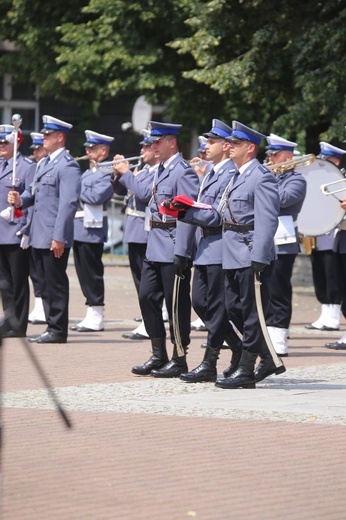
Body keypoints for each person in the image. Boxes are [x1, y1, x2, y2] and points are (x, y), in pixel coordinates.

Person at [113, 121, 200, 378]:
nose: (153, 147)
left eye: (157, 142)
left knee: (176, 305)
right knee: (146, 296)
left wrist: (183, 251)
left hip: (173, 242)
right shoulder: (160, 168)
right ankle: (158, 353)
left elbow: (187, 214)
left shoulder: (183, 171)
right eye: (152, 143)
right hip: (155, 241)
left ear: (171, 142)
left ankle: (179, 357)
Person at [213, 120, 285, 389]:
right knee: (234, 308)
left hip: (250, 252)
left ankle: (246, 369)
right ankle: (268, 357)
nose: (229, 146)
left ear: (251, 148)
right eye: (229, 142)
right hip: (232, 252)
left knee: (252, 312)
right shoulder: (236, 175)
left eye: (236, 143)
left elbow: (267, 221)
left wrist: (259, 254)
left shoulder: (261, 176)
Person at [175, 119, 243, 383]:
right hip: (205, 247)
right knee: (200, 303)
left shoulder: (228, 174)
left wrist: (185, 211)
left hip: (219, 246)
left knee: (215, 306)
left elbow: (217, 216)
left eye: (212, 142)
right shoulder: (212, 172)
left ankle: (209, 362)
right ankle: (236, 346)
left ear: (226, 147)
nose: (206, 145)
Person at [8, 115, 81, 343]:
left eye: (48, 135)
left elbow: (67, 204)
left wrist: (59, 236)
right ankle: (51, 326)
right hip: (39, 234)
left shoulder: (68, 166)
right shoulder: (44, 163)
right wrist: (20, 200)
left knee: (55, 282)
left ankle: (58, 330)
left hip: (53, 235)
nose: (43, 138)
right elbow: (34, 193)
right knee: (44, 283)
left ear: (60, 138)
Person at [112, 129, 160, 340]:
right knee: (139, 281)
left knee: (146, 284)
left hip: (145, 232)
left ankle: (151, 322)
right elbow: (120, 191)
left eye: (146, 146)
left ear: (156, 150)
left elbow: (143, 193)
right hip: (135, 231)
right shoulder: (143, 170)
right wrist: (117, 173)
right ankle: (146, 319)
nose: (141, 150)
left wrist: (127, 173)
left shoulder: (158, 172)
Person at [264, 133, 307, 356]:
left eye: (275, 154)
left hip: (283, 239)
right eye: (269, 154)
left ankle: (280, 333)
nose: (270, 158)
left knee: (279, 288)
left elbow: (280, 200)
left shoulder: (297, 180)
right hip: (265, 239)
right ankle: (268, 330)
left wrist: (267, 178)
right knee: (266, 288)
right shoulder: (271, 176)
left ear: (288, 156)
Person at [70, 130, 114, 332]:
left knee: (92, 273)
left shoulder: (107, 172)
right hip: (80, 228)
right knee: (83, 273)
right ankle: (91, 312)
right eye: (87, 148)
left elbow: (97, 197)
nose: (87, 151)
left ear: (103, 150)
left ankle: (97, 314)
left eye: (92, 148)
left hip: (93, 230)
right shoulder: (89, 172)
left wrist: (72, 183)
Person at [305, 142, 346, 332]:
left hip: (334, 234)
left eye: (327, 160)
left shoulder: (339, 178)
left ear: (335, 160)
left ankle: (333, 315)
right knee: (320, 274)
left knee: (332, 276)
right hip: (320, 234)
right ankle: (325, 312)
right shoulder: (320, 179)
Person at [0, 124, 35, 337]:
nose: (1, 146)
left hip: (16, 231)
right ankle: (9, 318)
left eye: (5, 142)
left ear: (16, 143)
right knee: (3, 281)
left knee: (18, 280)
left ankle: (19, 325)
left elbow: (32, 197)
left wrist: (27, 229)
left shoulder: (27, 166)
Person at [27, 132, 47, 325]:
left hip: (41, 226)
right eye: (34, 148)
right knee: (35, 271)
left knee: (44, 272)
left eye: (38, 148)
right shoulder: (37, 167)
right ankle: (39, 306)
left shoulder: (38, 168)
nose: (35, 152)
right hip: (32, 227)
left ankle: (43, 308)